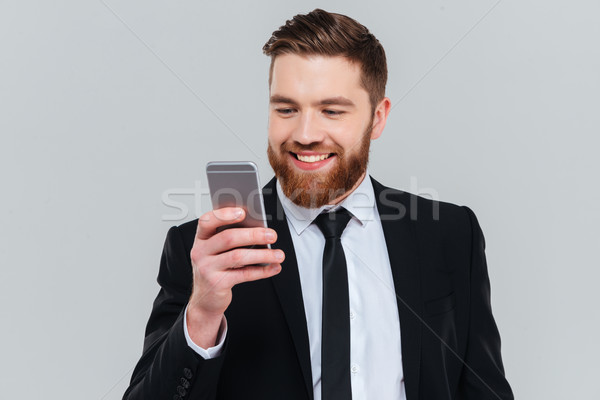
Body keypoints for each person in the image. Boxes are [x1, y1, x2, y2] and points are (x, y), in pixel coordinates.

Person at [123, 9, 513, 400]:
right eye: (286, 109)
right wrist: (203, 314)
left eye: (331, 110)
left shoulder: (450, 235)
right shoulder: (206, 253)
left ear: (377, 118)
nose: (305, 134)